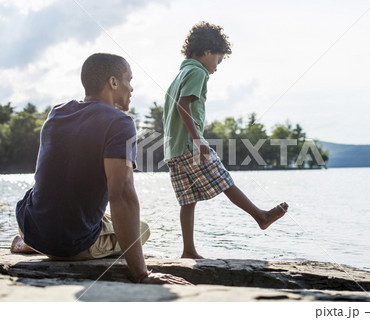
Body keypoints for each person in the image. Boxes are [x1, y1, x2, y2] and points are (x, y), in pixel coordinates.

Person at [11, 53, 190, 285]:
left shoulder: (57, 112)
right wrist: (142, 274)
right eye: (129, 79)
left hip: (29, 224)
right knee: (142, 228)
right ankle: (43, 245)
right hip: (69, 247)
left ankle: (29, 242)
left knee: (86, 213)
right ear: (113, 83)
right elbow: (123, 194)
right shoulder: (119, 122)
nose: (132, 88)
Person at [163, 22, 289, 259]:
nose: (217, 68)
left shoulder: (179, 74)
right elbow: (183, 105)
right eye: (218, 61)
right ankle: (260, 217)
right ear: (208, 51)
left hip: (173, 150)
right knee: (225, 180)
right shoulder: (197, 72)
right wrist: (198, 140)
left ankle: (188, 251)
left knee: (187, 200)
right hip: (190, 145)